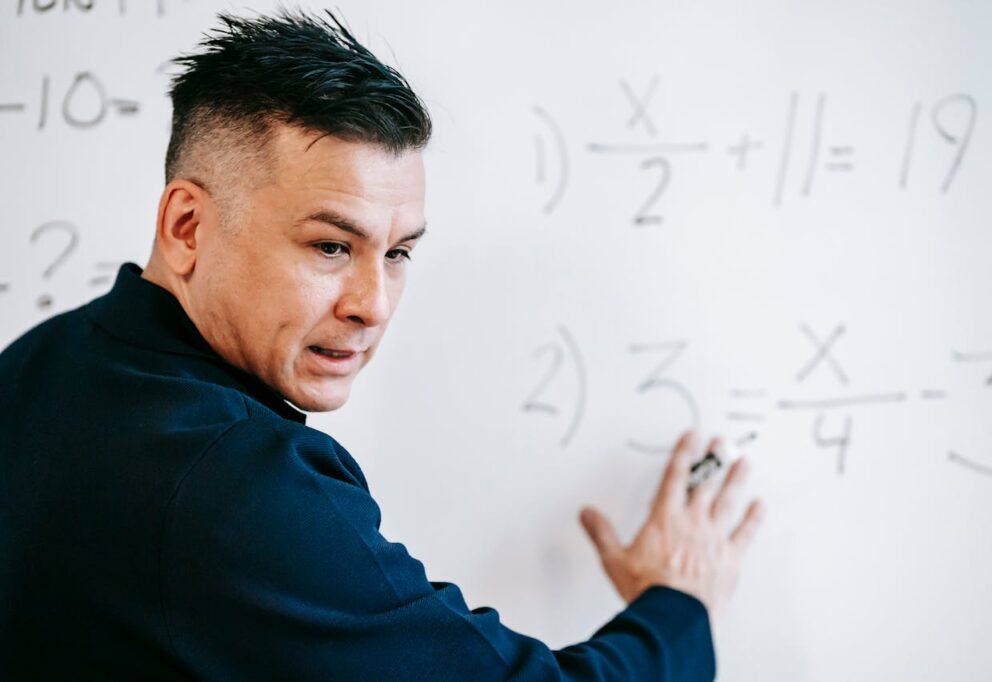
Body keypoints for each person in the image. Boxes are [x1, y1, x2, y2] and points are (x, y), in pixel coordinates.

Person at [0, 9, 764, 680]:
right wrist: (679, 604)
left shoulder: (39, 361)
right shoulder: (240, 489)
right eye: (331, 246)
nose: (373, 304)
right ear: (187, 227)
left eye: (398, 253)